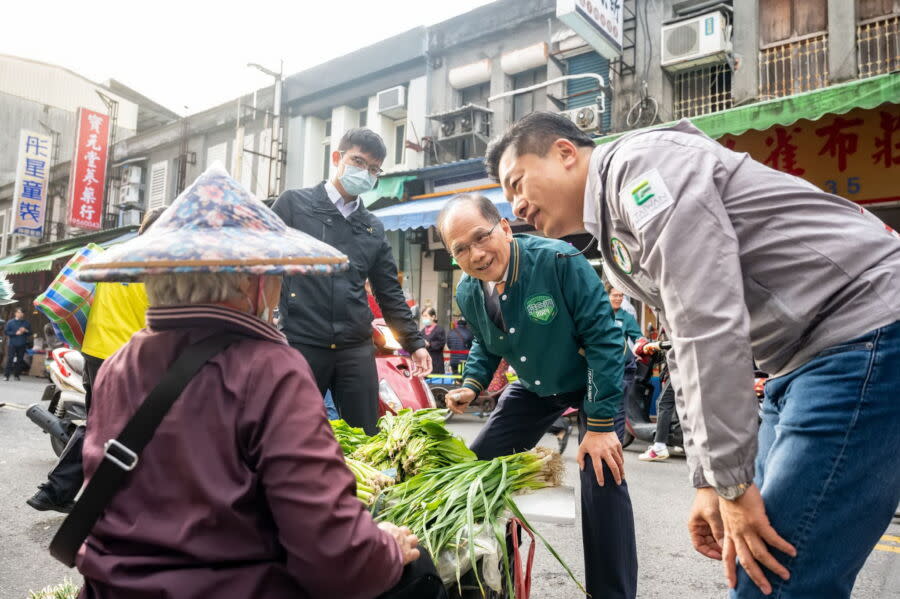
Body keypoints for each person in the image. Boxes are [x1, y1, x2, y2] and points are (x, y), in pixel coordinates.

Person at [486, 111, 900, 598]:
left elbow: (707, 317)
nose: (516, 205)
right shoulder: (614, 240)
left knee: (773, 575)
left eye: (516, 183)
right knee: (764, 563)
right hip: (807, 359)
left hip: (865, 331)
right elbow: (682, 343)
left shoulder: (641, 171)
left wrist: (730, 484)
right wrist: (710, 481)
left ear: (564, 152)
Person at [73, 166, 442, 599]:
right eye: (273, 274)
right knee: (420, 571)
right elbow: (336, 557)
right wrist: (387, 549)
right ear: (254, 282)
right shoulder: (268, 367)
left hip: (112, 589)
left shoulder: (120, 364)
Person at [440, 194, 637, 599]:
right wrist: (472, 384)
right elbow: (486, 342)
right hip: (534, 386)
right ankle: (493, 576)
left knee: (602, 480)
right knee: (478, 471)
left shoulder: (558, 261)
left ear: (506, 229)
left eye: (482, 237)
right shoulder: (468, 292)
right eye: (461, 248)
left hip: (594, 379)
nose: (476, 254)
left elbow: (603, 340)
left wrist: (599, 426)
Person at [273, 128, 430, 434]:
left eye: (373, 169)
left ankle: (360, 483)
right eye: (358, 161)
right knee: (289, 430)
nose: (365, 172)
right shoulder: (293, 204)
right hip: (301, 339)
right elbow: (261, 262)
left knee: (366, 434)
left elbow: (388, 291)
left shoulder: (372, 226)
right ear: (337, 157)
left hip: (355, 347)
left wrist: (415, 343)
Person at [26, 208, 164, 514]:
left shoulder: (111, 255)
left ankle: (80, 494)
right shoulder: (159, 266)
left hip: (94, 350)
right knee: (113, 425)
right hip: (129, 356)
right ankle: (56, 491)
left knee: (106, 423)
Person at [4, 307, 31, 381]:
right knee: (10, 359)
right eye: (18, 312)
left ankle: (16, 375)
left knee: (20, 360)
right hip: (12, 344)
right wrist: (15, 333)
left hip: (22, 344)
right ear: (15, 313)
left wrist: (25, 330)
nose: (20, 314)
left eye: (21, 313)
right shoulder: (10, 322)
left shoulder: (26, 323)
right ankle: (6, 376)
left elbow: (30, 333)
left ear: (23, 314)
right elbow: (6, 332)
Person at [420, 307, 446, 375]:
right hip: (424, 364)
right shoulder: (422, 332)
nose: (424, 318)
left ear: (433, 317)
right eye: (423, 316)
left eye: (426, 316)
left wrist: (429, 344)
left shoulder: (439, 330)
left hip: (436, 363)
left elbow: (441, 344)